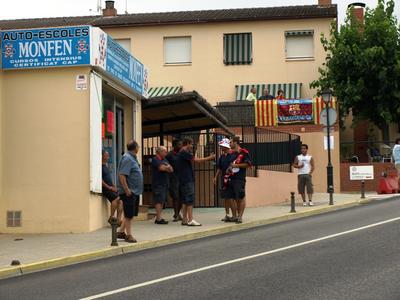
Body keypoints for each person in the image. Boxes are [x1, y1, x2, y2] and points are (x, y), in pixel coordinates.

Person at [177, 137, 215, 226]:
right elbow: (197, 160)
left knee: (184, 200)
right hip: (187, 179)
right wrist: (210, 157)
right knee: (189, 199)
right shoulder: (184, 153)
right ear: (187, 144)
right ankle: (190, 220)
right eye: (191, 144)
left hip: (183, 179)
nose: (192, 146)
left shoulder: (181, 153)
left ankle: (184, 219)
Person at [117, 140, 143, 243]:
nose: (139, 148)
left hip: (134, 191)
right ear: (135, 147)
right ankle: (129, 235)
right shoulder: (127, 158)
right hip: (129, 191)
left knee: (130, 213)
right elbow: (122, 175)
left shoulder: (133, 158)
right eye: (138, 146)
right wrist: (127, 189)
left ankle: (121, 232)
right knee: (128, 215)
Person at [227, 136, 252, 223]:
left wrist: (236, 166)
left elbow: (248, 164)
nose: (229, 144)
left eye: (231, 142)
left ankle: (240, 217)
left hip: (239, 178)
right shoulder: (232, 154)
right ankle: (235, 216)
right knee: (231, 198)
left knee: (240, 197)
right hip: (231, 178)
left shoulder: (244, 152)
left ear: (235, 142)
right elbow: (231, 165)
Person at [213, 138, 237, 222]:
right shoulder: (222, 157)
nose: (221, 147)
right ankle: (227, 215)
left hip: (231, 179)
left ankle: (234, 215)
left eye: (222, 146)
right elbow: (219, 168)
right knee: (226, 198)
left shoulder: (233, 155)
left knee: (231, 198)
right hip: (224, 180)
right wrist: (215, 177)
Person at [152, 146, 174, 225]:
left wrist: (167, 167)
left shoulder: (164, 159)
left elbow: (171, 169)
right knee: (158, 200)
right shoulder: (155, 159)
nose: (166, 153)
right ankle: (158, 218)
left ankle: (159, 217)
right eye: (165, 151)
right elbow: (161, 168)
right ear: (160, 152)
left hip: (164, 183)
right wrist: (167, 167)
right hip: (158, 183)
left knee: (162, 201)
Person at [102, 150, 123, 226]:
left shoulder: (105, 166)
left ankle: (118, 220)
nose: (108, 157)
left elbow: (109, 178)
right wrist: (110, 188)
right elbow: (100, 180)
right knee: (116, 199)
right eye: (106, 155)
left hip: (110, 188)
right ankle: (111, 218)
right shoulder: (99, 166)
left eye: (108, 155)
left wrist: (114, 186)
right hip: (106, 188)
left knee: (121, 201)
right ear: (102, 156)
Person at [166, 139, 183, 222]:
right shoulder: (169, 155)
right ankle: (176, 214)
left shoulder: (182, 154)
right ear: (174, 145)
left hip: (182, 177)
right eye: (179, 144)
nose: (181, 146)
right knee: (175, 197)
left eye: (181, 144)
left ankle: (178, 213)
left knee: (182, 197)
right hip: (173, 178)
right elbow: (165, 163)